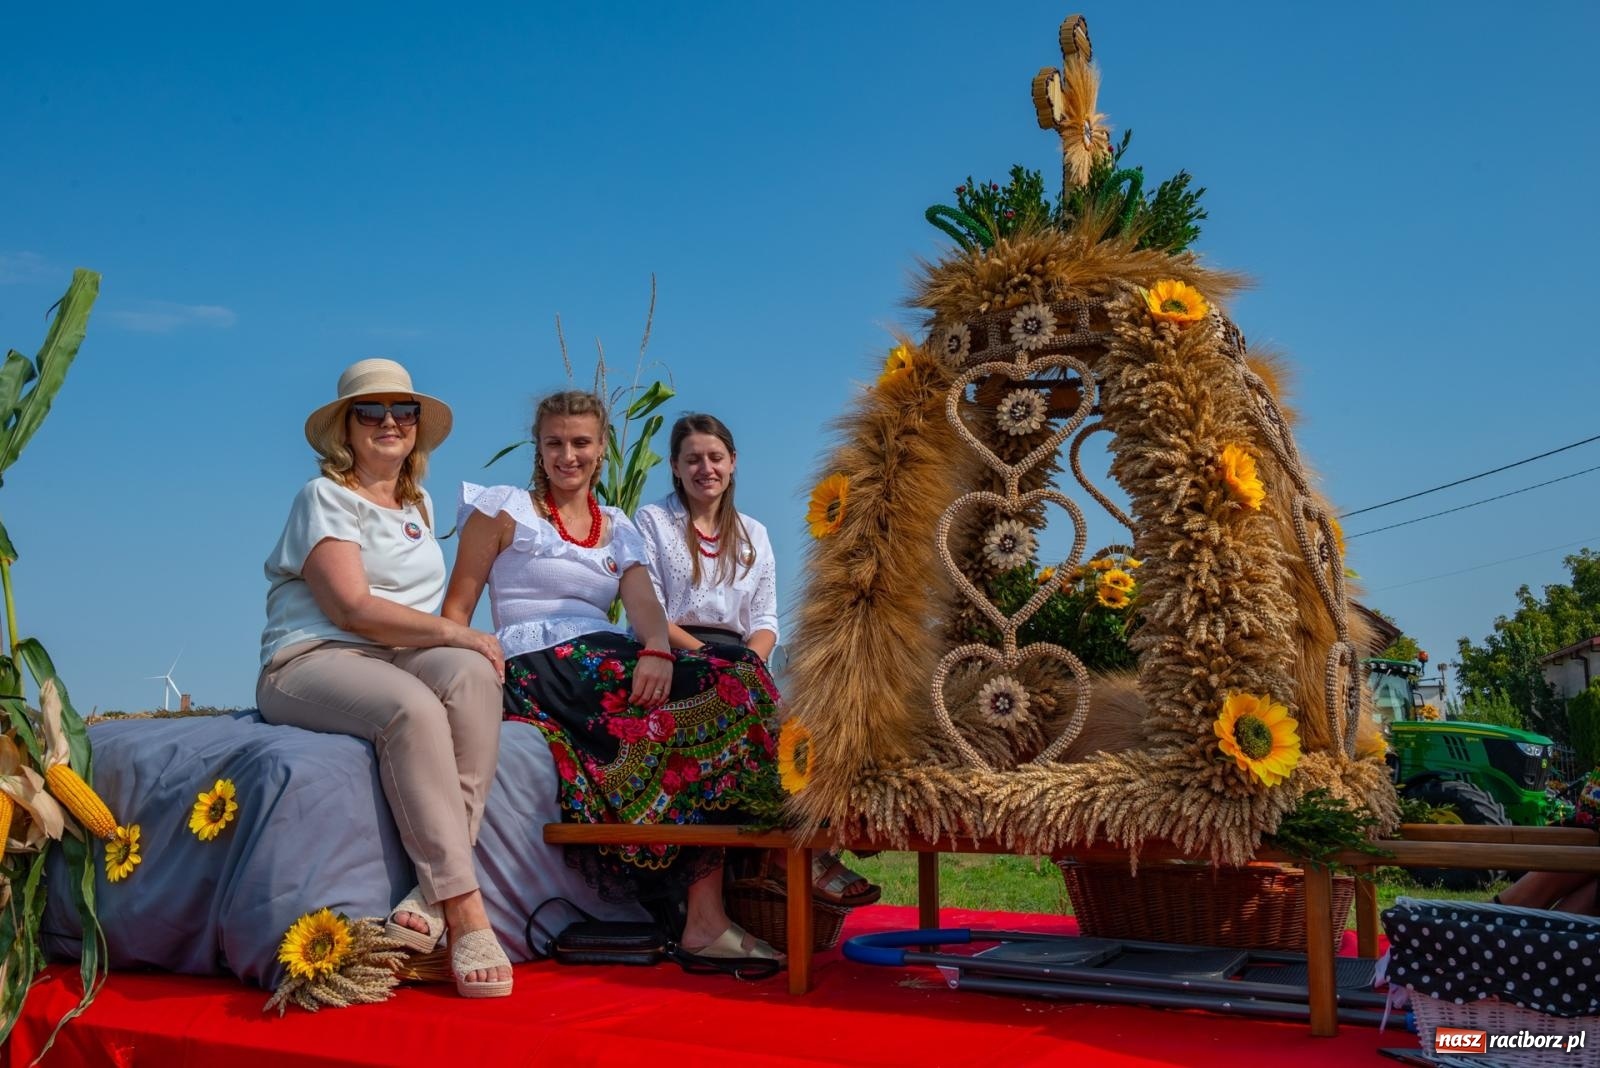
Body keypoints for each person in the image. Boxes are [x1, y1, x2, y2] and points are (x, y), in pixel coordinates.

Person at [442, 390, 785, 964]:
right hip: (539, 658)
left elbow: (644, 606)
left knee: (740, 673)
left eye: (581, 443)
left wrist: (656, 648)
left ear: (602, 449)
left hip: (603, 650)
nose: (567, 456)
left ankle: (723, 903)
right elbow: (456, 611)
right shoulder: (503, 510)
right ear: (539, 447)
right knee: (722, 690)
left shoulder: (617, 525)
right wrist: (471, 662)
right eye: (555, 443)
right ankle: (705, 918)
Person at [257, 358, 512, 998]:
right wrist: (458, 630)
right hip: (313, 658)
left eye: (405, 411)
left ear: (418, 428)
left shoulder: (418, 502)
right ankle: (463, 909)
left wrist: (465, 644)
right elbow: (353, 608)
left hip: (394, 653)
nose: (390, 422)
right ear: (346, 428)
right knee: (414, 711)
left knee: (475, 676)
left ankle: (427, 894)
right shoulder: (324, 498)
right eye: (371, 412)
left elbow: (410, 620)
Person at [633, 413, 880, 908]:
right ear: (676, 469)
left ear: (733, 463)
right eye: (693, 459)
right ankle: (793, 854)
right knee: (743, 703)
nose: (706, 468)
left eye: (715, 457)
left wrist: (748, 662)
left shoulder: (753, 533)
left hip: (742, 656)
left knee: (810, 716)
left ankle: (819, 832)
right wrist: (711, 659)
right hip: (676, 648)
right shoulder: (654, 521)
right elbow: (651, 611)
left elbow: (765, 617)